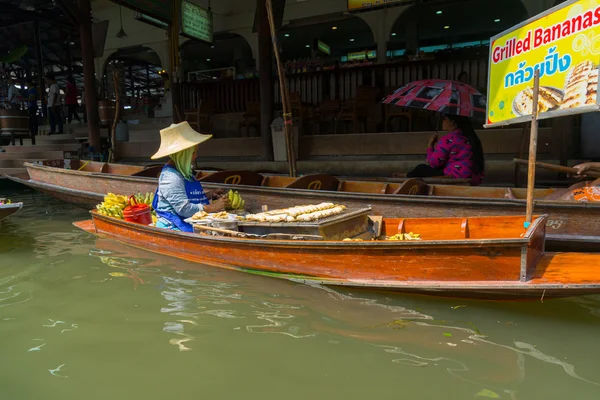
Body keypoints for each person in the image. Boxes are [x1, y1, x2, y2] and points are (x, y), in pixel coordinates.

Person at [151, 121, 229, 232]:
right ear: (182, 154)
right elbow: (184, 208)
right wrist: (212, 208)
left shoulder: (184, 172)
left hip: (191, 223)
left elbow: (188, 196)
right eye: (193, 152)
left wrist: (210, 194)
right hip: (174, 228)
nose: (196, 156)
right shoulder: (170, 177)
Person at [407, 114, 485, 185]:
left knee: (421, 168)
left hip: (454, 176)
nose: (442, 121)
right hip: (474, 177)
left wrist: (430, 145)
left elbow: (433, 164)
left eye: (445, 119)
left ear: (452, 122)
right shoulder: (471, 138)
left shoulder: (449, 139)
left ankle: (406, 176)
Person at [26, 79, 38, 144]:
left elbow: (32, 98)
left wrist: (26, 99)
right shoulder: (31, 89)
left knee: (33, 119)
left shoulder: (32, 89)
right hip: (32, 106)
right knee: (33, 118)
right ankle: (34, 131)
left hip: (32, 106)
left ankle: (34, 131)